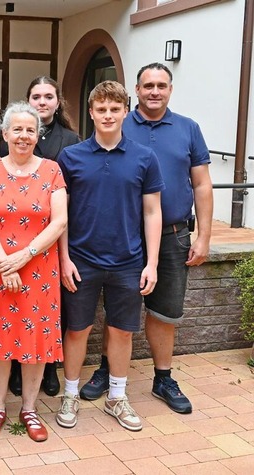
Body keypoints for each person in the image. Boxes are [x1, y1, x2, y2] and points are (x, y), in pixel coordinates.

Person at [79, 63, 213, 415]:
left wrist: (204, 236)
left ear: (170, 89)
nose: (155, 91)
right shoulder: (121, 122)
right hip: (121, 233)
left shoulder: (188, 128)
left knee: (164, 311)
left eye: (162, 85)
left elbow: (201, 184)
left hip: (170, 234)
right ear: (135, 92)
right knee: (116, 308)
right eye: (148, 85)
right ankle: (107, 371)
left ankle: (163, 377)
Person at [56, 81, 164, 432]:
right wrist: (63, 258)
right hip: (81, 259)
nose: (107, 115)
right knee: (77, 330)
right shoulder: (71, 157)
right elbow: (62, 215)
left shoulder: (144, 158)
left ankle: (117, 396)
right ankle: (70, 394)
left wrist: (151, 262)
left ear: (124, 111)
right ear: (91, 112)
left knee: (121, 331)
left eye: (114, 109)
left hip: (128, 260)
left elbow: (152, 212)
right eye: (101, 109)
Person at [0, 101, 67, 442]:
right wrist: (4, 262)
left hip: (39, 270)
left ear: (37, 134)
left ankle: (29, 407)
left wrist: (22, 257)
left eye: (31, 130)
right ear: (5, 132)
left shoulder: (52, 170)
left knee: (35, 340)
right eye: (18, 129)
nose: (24, 136)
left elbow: (59, 221)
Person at [0, 76, 79, 398]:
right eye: (36, 96)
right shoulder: (15, 138)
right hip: (12, 241)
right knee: (16, 310)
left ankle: (49, 370)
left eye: (48, 96)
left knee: (48, 311)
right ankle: (18, 369)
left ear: (58, 102)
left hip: (51, 237)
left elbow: (69, 201)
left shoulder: (71, 140)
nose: (42, 102)